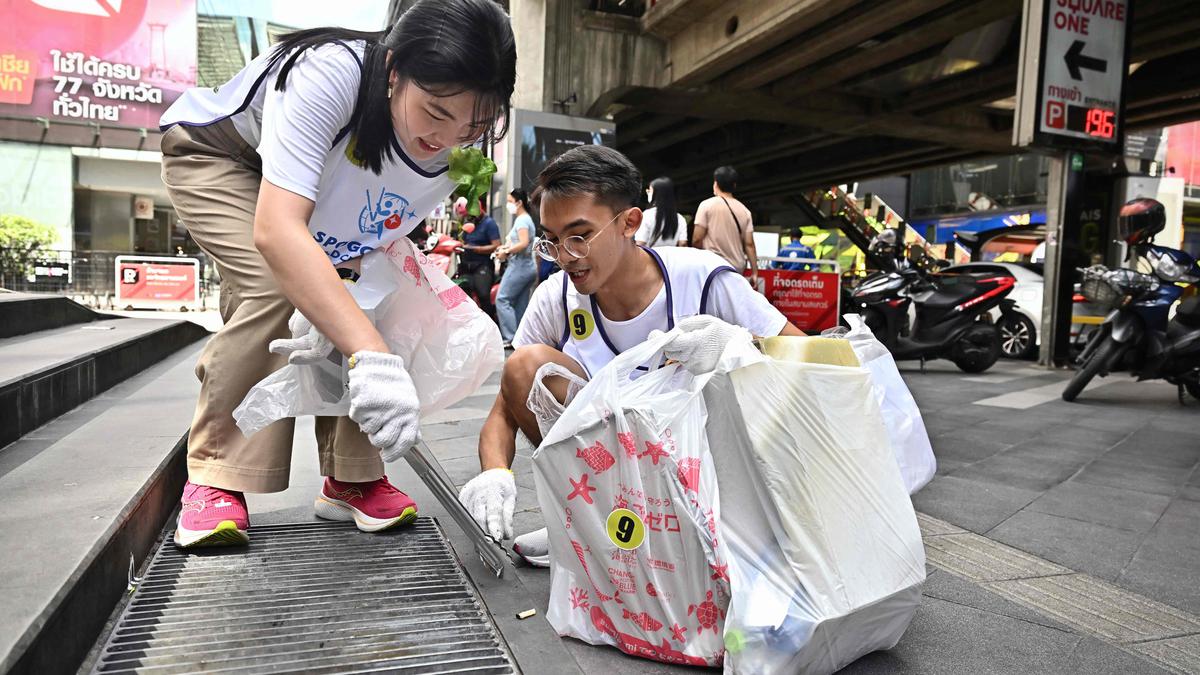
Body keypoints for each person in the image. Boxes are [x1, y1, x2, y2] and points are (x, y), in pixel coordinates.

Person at [157, 0, 516, 548]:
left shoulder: (460, 145)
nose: (447, 139)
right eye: (436, 112)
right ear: (394, 70)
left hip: (328, 199)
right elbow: (280, 231)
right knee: (280, 289)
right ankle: (217, 474)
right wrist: (372, 356)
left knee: (367, 296)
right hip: (226, 158)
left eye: (475, 124)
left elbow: (380, 224)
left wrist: (364, 313)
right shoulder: (330, 72)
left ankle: (352, 474)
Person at [457, 145, 802, 565]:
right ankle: (587, 521)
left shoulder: (701, 278)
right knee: (524, 366)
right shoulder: (558, 297)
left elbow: (803, 358)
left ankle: (718, 529)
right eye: (552, 241)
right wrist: (494, 474)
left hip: (701, 470)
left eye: (580, 236)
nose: (565, 257)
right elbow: (503, 409)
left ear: (629, 222)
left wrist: (736, 346)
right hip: (607, 470)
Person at [693, 165, 759, 285]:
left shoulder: (706, 205)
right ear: (734, 185)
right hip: (736, 269)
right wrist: (755, 272)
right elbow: (749, 245)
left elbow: (697, 239)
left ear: (715, 184)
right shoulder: (745, 211)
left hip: (712, 267)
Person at [495, 188, 538, 347]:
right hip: (527, 267)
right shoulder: (525, 219)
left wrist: (506, 251)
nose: (508, 205)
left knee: (502, 299)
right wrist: (505, 248)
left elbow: (523, 242)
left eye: (510, 201)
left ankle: (510, 338)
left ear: (519, 203)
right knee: (520, 304)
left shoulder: (521, 220)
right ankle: (520, 338)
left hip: (520, 266)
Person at [461, 202, 502, 320]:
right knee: (462, 290)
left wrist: (476, 249)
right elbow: (463, 240)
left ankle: (489, 322)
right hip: (467, 265)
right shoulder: (469, 222)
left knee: (483, 294)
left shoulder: (489, 223)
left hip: (482, 265)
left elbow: (496, 245)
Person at [634, 176, 687, 249]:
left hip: (652, 258)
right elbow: (683, 243)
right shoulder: (680, 218)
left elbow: (640, 243)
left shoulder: (647, 215)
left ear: (657, 194)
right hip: (670, 259)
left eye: (649, 190)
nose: (647, 192)